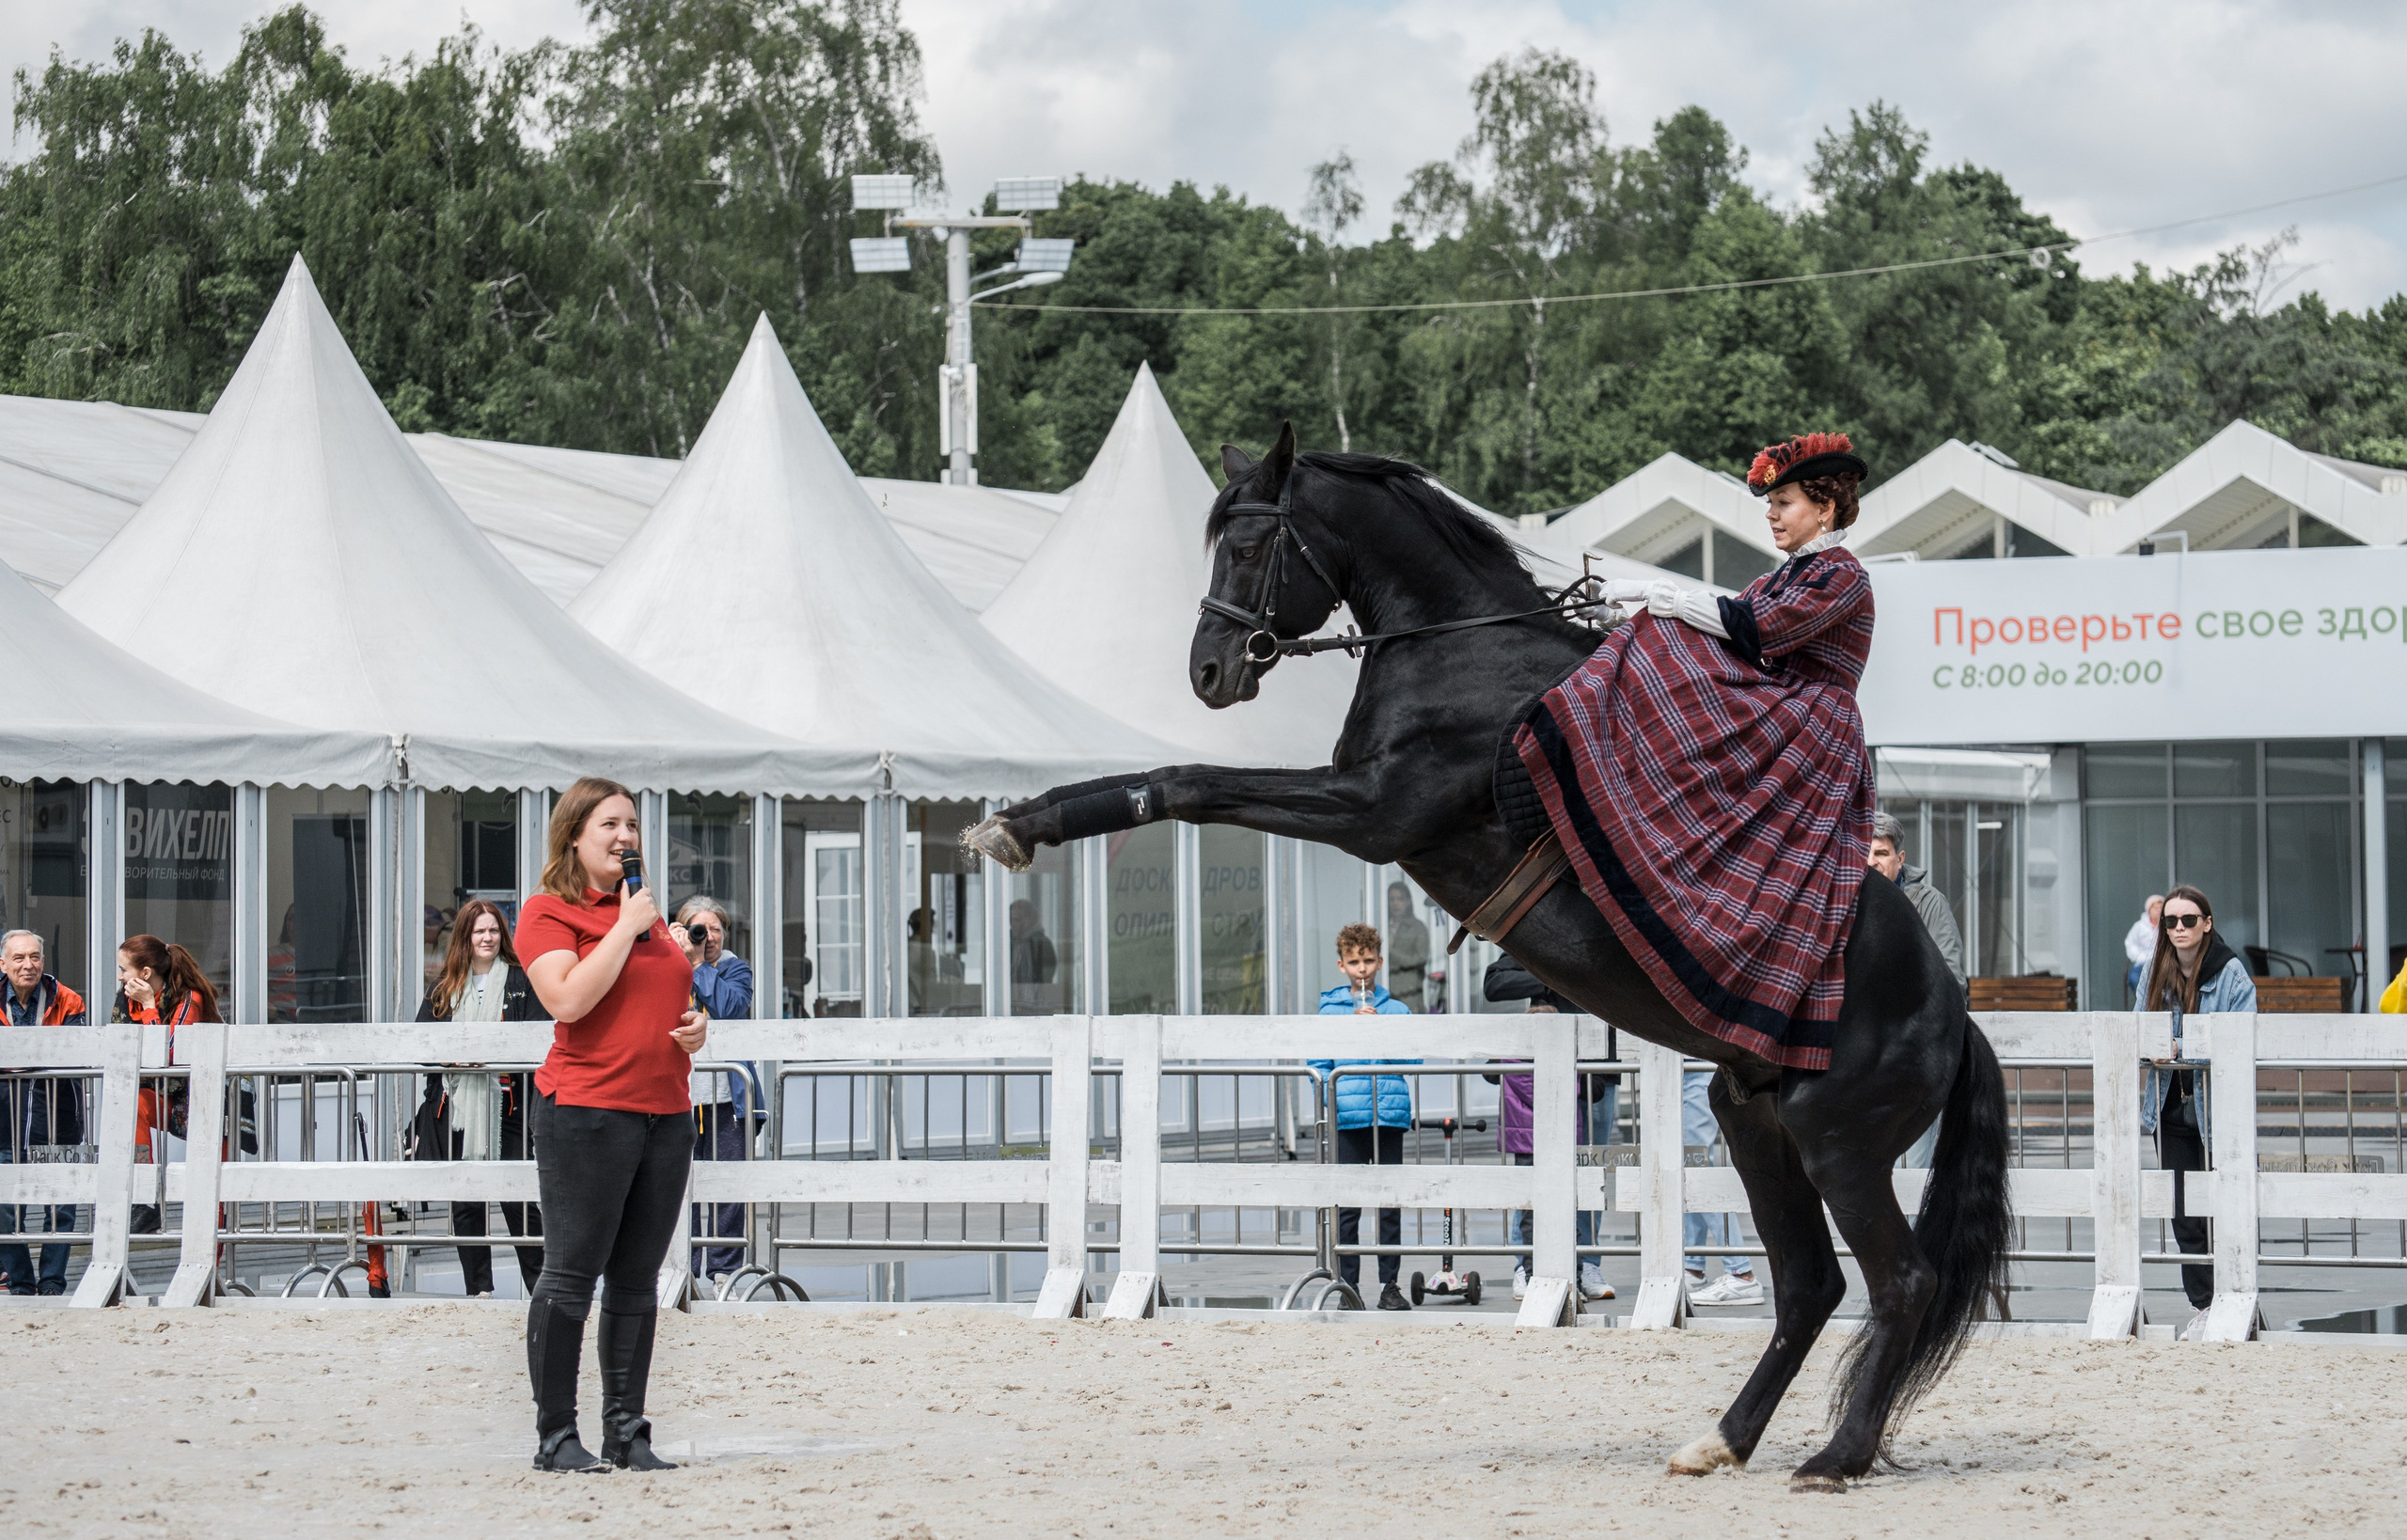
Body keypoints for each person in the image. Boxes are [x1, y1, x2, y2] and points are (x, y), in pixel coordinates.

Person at [516, 777, 709, 1473]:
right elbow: (568, 1000)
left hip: (665, 1114)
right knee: (571, 1276)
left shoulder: (650, 915)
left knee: (636, 1281)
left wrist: (695, 1025)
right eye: (610, 825)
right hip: (588, 1114)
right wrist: (625, 928)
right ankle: (557, 1436)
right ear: (575, 833)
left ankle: (627, 1431)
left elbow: (663, 992)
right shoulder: (548, 912)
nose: (625, 837)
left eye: (632, 824)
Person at [411, 899, 545, 1297]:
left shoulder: (523, 982)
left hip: (509, 1107)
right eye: (478, 931)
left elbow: (540, 1039)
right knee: (466, 1203)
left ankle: (541, 1288)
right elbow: (423, 1044)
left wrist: (493, 1055)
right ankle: (479, 1291)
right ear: (465, 938)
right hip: (455, 1109)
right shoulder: (445, 985)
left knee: (518, 1200)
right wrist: (453, 1056)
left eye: (493, 930)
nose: (487, 938)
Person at [2137, 884, 2255, 1336]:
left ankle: (2234, 1296)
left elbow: (2239, 1036)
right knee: (2185, 1213)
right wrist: (2155, 1046)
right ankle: (2203, 1305)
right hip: (2169, 1112)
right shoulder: (2155, 970)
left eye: (2188, 920)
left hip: (2217, 1111)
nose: (2179, 928)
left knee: (2224, 1208)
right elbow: (2139, 1025)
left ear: (2207, 923)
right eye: (2171, 921)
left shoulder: (2231, 974)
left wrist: (2181, 1047)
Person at [1480, 953, 1613, 1303]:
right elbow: (1494, 984)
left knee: (1587, 1173)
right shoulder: (1543, 936)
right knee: (1532, 1182)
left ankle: (1587, 1263)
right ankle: (1526, 1267)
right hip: (1544, 1060)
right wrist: (1555, 972)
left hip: (1598, 1065)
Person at [1308, 922, 1417, 1311]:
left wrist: (1381, 1032)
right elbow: (1318, 1065)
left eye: (1369, 961)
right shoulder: (1329, 1010)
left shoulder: (1396, 1009)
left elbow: (1413, 1058)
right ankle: (1348, 1288)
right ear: (1341, 965)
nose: (1362, 969)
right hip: (1348, 1117)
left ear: (1380, 962)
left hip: (1388, 1116)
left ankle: (1390, 1285)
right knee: (1348, 1207)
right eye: (1354, 962)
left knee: (1390, 1206)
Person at [1867, 810, 1965, 1170]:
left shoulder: (1929, 904)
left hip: (1912, 1064)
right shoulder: (1844, 904)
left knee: (1913, 1171)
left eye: (1880, 853)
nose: (1871, 861)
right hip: (1856, 1065)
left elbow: (1952, 982)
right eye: (1864, 851)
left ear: (1900, 858)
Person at [673, 896, 761, 1281]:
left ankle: (725, 1267)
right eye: (697, 928)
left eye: (714, 929)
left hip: (727, 1099)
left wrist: (696, 966)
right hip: (679, 1096)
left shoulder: (735, 970)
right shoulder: (667, 966)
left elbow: (731, 1008)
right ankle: (685, 1265)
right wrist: (672, 954)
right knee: (679, 1185)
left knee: (728, 1185)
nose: (705, 937)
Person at [114, 935, 222, 1238]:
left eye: (124, 969)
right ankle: (144, 1200)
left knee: (214, 1193)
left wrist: (149, 1006)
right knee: (133, 1103)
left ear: (145, 974)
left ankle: (209, 1270)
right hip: (163, 1094)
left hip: (206, 1098)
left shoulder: (190, 999)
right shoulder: (125, 998)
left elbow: (170, 1056)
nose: (121, 976)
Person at [0, 931, 86, 1296]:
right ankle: (20, 1283)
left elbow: (74, 1053)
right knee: (3, 1207)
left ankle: (52, 1283)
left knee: (61, 1207)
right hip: (3, 1122)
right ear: (3, 964)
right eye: (19, 958)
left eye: (34, 957)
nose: (28, 965)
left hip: (58, 1119)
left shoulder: (67, 999)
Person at [1384, 882, 1431, 1012]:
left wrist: (1390, 953)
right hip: (1384, 989)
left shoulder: (1418, 928)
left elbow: (1421, 959)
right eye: (1391, 899)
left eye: (1400, 899)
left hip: (1409, 994)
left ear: (1408, 901)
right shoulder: (1382, 925)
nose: (1395, 903)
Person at [1009, 900, 1059, 1014]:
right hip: (1010, 1005)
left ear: (1031, 919)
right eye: (1012, 920)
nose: (1016, 924)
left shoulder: (1042, 943)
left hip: (1037, 1006)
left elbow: (1046, 977)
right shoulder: (1006, 943)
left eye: (1019, 919)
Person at [2124, 894, 2164, 1008]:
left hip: (2162, 963)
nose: (2158, 911)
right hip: (2142, 964)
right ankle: (2145, 1002)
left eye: (2161, 908)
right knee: (2134, 977)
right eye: (2155, 908)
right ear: (2149, 910)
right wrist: (2140, 957)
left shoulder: (2167, 926)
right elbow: (2129, 943)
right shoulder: (2139, 927)